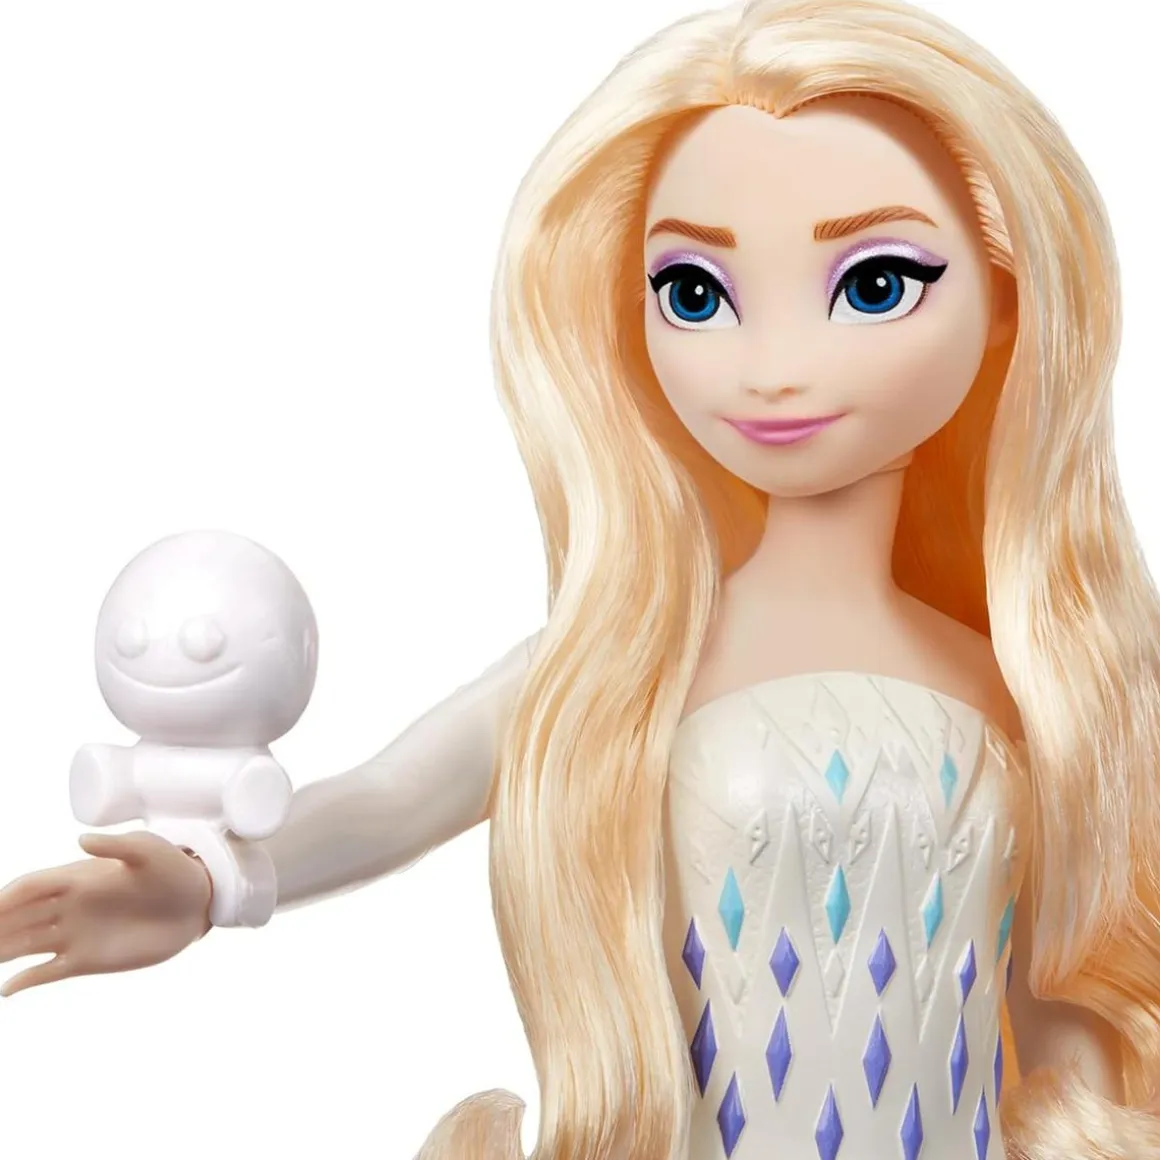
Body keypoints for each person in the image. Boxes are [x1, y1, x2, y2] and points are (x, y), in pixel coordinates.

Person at [2, 1, 1158, 1156]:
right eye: (694, 293)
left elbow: (1058, 1010)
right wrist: (208, 879)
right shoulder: (621, 665)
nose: (770, 367)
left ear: (1007, 300)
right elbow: (393, 797)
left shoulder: (1035, 687)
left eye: (874, 282)